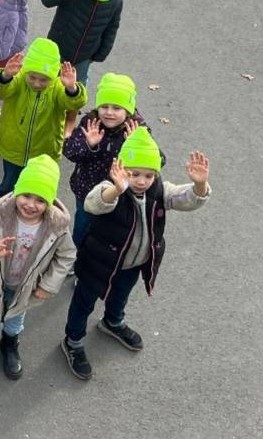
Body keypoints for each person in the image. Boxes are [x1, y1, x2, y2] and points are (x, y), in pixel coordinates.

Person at [61, 128, 212, 381]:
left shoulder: (159, 191)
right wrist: (116, 189)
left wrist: (199, 185)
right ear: (121, 169)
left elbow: (186, 199)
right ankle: (73, 341)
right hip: (98, 262)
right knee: (83, 302)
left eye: (148, 175)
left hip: (132, 263)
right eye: (134, 174)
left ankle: (113, 321)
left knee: (121, 295)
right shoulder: (112, 188)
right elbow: (93, 203)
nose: (141, 181)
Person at [0, 155, 75, 380]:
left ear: (50, 202)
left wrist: (49, 285)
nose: (31, 204)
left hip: (25, 286)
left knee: (16, 318)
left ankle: (10, 344)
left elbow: (66, 255)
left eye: (40, 199)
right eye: (26, 195)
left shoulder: (56, 226)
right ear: (17, 192)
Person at [63, 73, 154, 245]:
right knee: (82, 227)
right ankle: (75, 257)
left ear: (128, 110)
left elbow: (158, 162)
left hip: (119, 194)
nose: (109, 113)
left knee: (109, 233)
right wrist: (89, 144)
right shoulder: (90, 123)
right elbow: (70, 152)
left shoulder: (138, 130)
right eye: (104, 106)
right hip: (87, 191)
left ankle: (99, 260)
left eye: (116, 108)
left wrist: (136, 146)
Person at [0, 37, 87, 199]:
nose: (36, 83)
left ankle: (30, 213)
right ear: (26, 70)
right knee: (8, 185)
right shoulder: (19, 79)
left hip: (44, 151)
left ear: (53, 75)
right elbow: (0, 89)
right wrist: (5, 75)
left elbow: (74, 102)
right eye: (32, 77)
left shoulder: (57, 87)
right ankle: (4, 207)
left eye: (44, 80)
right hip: (13, 148)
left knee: (37, 188)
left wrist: (71, 88)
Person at [40, 0, 124, 136]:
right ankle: (43, 116)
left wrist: (101, 54)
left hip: (84, 57)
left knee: (77, 90)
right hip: (58, 49)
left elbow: (111, 28)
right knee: (47, 84)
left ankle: (70, 120)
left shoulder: (116, 0)